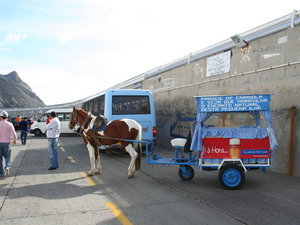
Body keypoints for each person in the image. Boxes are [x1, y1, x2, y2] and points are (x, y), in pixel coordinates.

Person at [0, 111, 17, 177]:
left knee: (0, 159)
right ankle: (7, 166)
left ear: (0, 117)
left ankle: (1, 173)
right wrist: (15, 140)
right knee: (7, 156)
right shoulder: (10, 124)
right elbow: (14, 133)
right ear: (6, 117)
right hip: (7, 143)